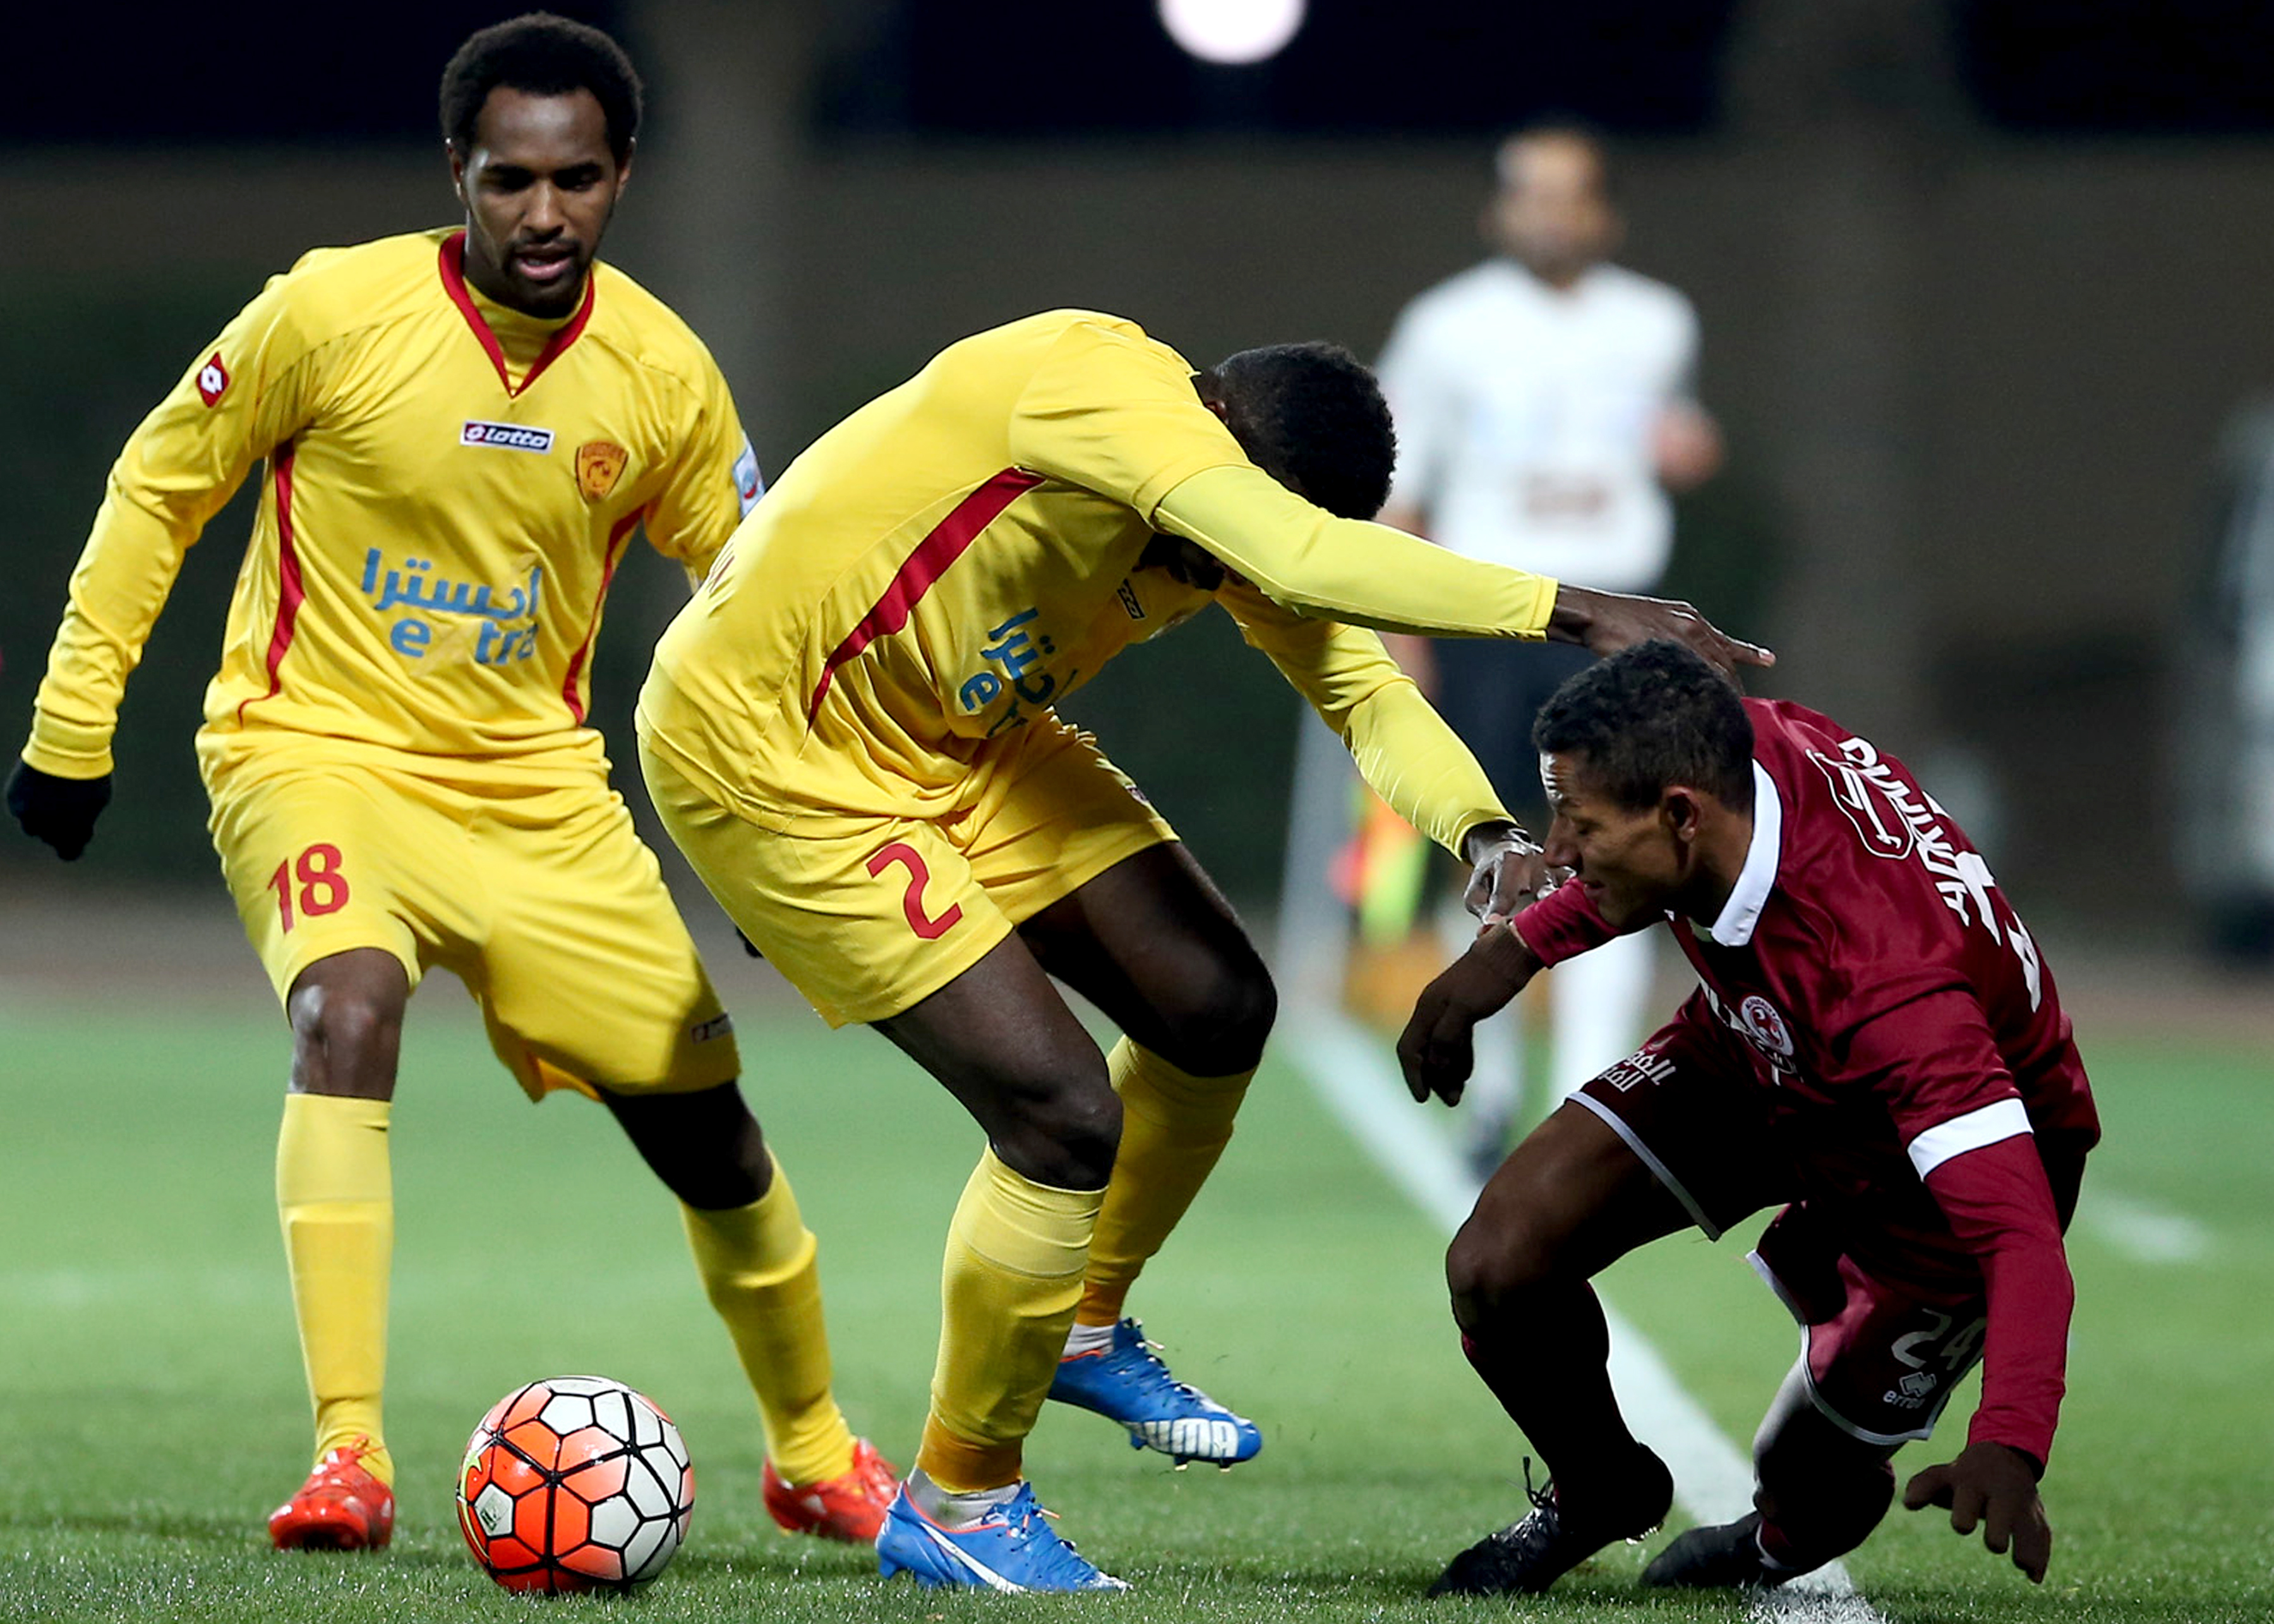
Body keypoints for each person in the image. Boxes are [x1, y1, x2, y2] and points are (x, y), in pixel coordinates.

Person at [634, 310, 1770, 1591]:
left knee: (1215, 1004)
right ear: (1219, 429)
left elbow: (1363, 690)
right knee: (1062, 1116)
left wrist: (1483, 831)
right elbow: (1294, 550)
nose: (1229, 568)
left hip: (959, 743)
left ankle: (1082, 1315)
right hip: (773, 749)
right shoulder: (1094, 381)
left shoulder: (1232, 519)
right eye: (1233, 533)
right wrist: (1578, 609)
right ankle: (961, 1496)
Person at [4, 13, 894, 1554]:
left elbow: (753, 608)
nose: (543, 212)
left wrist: (776, 837)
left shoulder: (665, 375)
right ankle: (348, 1455)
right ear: (457, 174)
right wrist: (72, 725)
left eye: (576, 180)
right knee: (343, 1008)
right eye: (509, 179)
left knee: (708, 1129)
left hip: (540, 796)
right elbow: (160, 486)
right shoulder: (331, 310)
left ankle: (813, 1450)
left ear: (622, 177)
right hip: (313, 751)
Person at [1397, 642, 2098, 1596]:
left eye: (1579, 823)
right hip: (1759, 1041)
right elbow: (1650, 868)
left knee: (1808, 1477)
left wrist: (2010, 1442)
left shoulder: (1891, 987)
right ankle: (1601, 1488)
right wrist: (1517, 949)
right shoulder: (1731, 745)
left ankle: (1776, 1539)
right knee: (1497, 1261)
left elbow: (2019, 1238)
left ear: (1682, 815)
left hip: (1922, 1175)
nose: (1555, 850)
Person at [1376, 124, 1723, 1172]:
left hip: (1617, 618)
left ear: (1603, 210)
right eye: (1531, 192)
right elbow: (1400, 489)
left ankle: (1591, 1100)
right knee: (1492, 846)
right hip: (1493, 617)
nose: (1551, 213)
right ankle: (1483, 1085)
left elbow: (1672, 437)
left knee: (1632, 851)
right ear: (1498, 209)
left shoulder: (1656, 319)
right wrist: (1403, 633)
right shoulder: (1445, 325)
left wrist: (1685, 448)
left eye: (1571, 194)